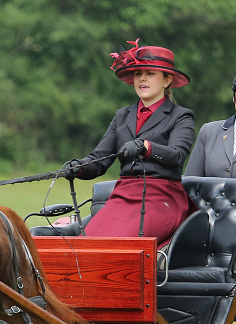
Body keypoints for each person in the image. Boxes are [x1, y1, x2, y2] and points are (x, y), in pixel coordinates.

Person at [64, 39, 195, 247]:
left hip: (162, 197)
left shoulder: (181, 116)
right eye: (137, 74)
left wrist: (145, 146)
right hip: (123, 196)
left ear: (167, 80)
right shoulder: (122, 116)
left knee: (122, 244)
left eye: (150, 73)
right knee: (86, 245)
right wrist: (77, 168)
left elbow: (177, 155)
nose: (142, 79)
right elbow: (99, 160)